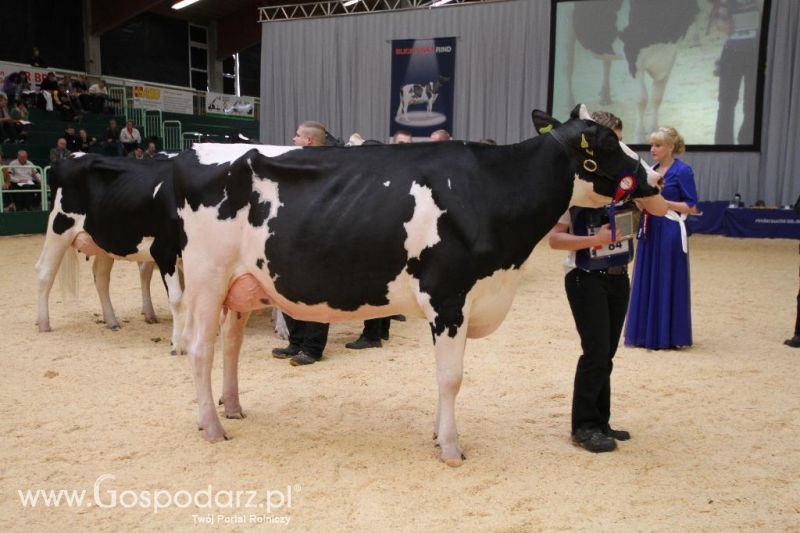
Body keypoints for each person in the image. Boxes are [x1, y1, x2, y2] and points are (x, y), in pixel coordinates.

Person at [549, 112, 668, 453]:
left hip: (619, 276)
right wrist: (594, 239)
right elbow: (555, 240)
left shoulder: (626, 182)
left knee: (607, 354)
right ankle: (583, 426)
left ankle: (601, 420)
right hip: (585, 277)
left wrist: (648, 185)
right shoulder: (574, 188)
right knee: (596, 352)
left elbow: (658, 211)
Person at [625, 126, 698, 350]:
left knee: (666, 278)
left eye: (657, 145)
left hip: (669, 229)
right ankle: (644, 332)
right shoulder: (652, 170)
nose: (652, 149)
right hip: (649, 227)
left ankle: (668, 335)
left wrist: (664, 204)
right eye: (652, 145)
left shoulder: (683, 171)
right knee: (645, 277)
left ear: (670, 147)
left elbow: (692, 206)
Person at [344, 130, 414, 350]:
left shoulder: (371, 179)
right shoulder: (395, 174)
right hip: (393, 238)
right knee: (385, 286)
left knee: (372, 287)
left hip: (375, 238)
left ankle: (372, 335)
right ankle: (382, 331)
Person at [272, 121, 332, 366]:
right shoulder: (294, 162)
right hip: (293, 232)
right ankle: (296, 342)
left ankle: (313, 348)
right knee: (288, 287)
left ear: (309, 140)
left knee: (315, 291)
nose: (293, 139)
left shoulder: (327, 165)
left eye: (297, 135)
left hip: (318, 234)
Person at [713, 0, 762, 145]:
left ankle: (746, 141)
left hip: (755, 50)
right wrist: (725, 25)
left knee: (751, 101)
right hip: (732, 51)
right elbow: (719, 23)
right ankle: (723, 144)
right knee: (726, 101)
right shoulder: (725, 2)